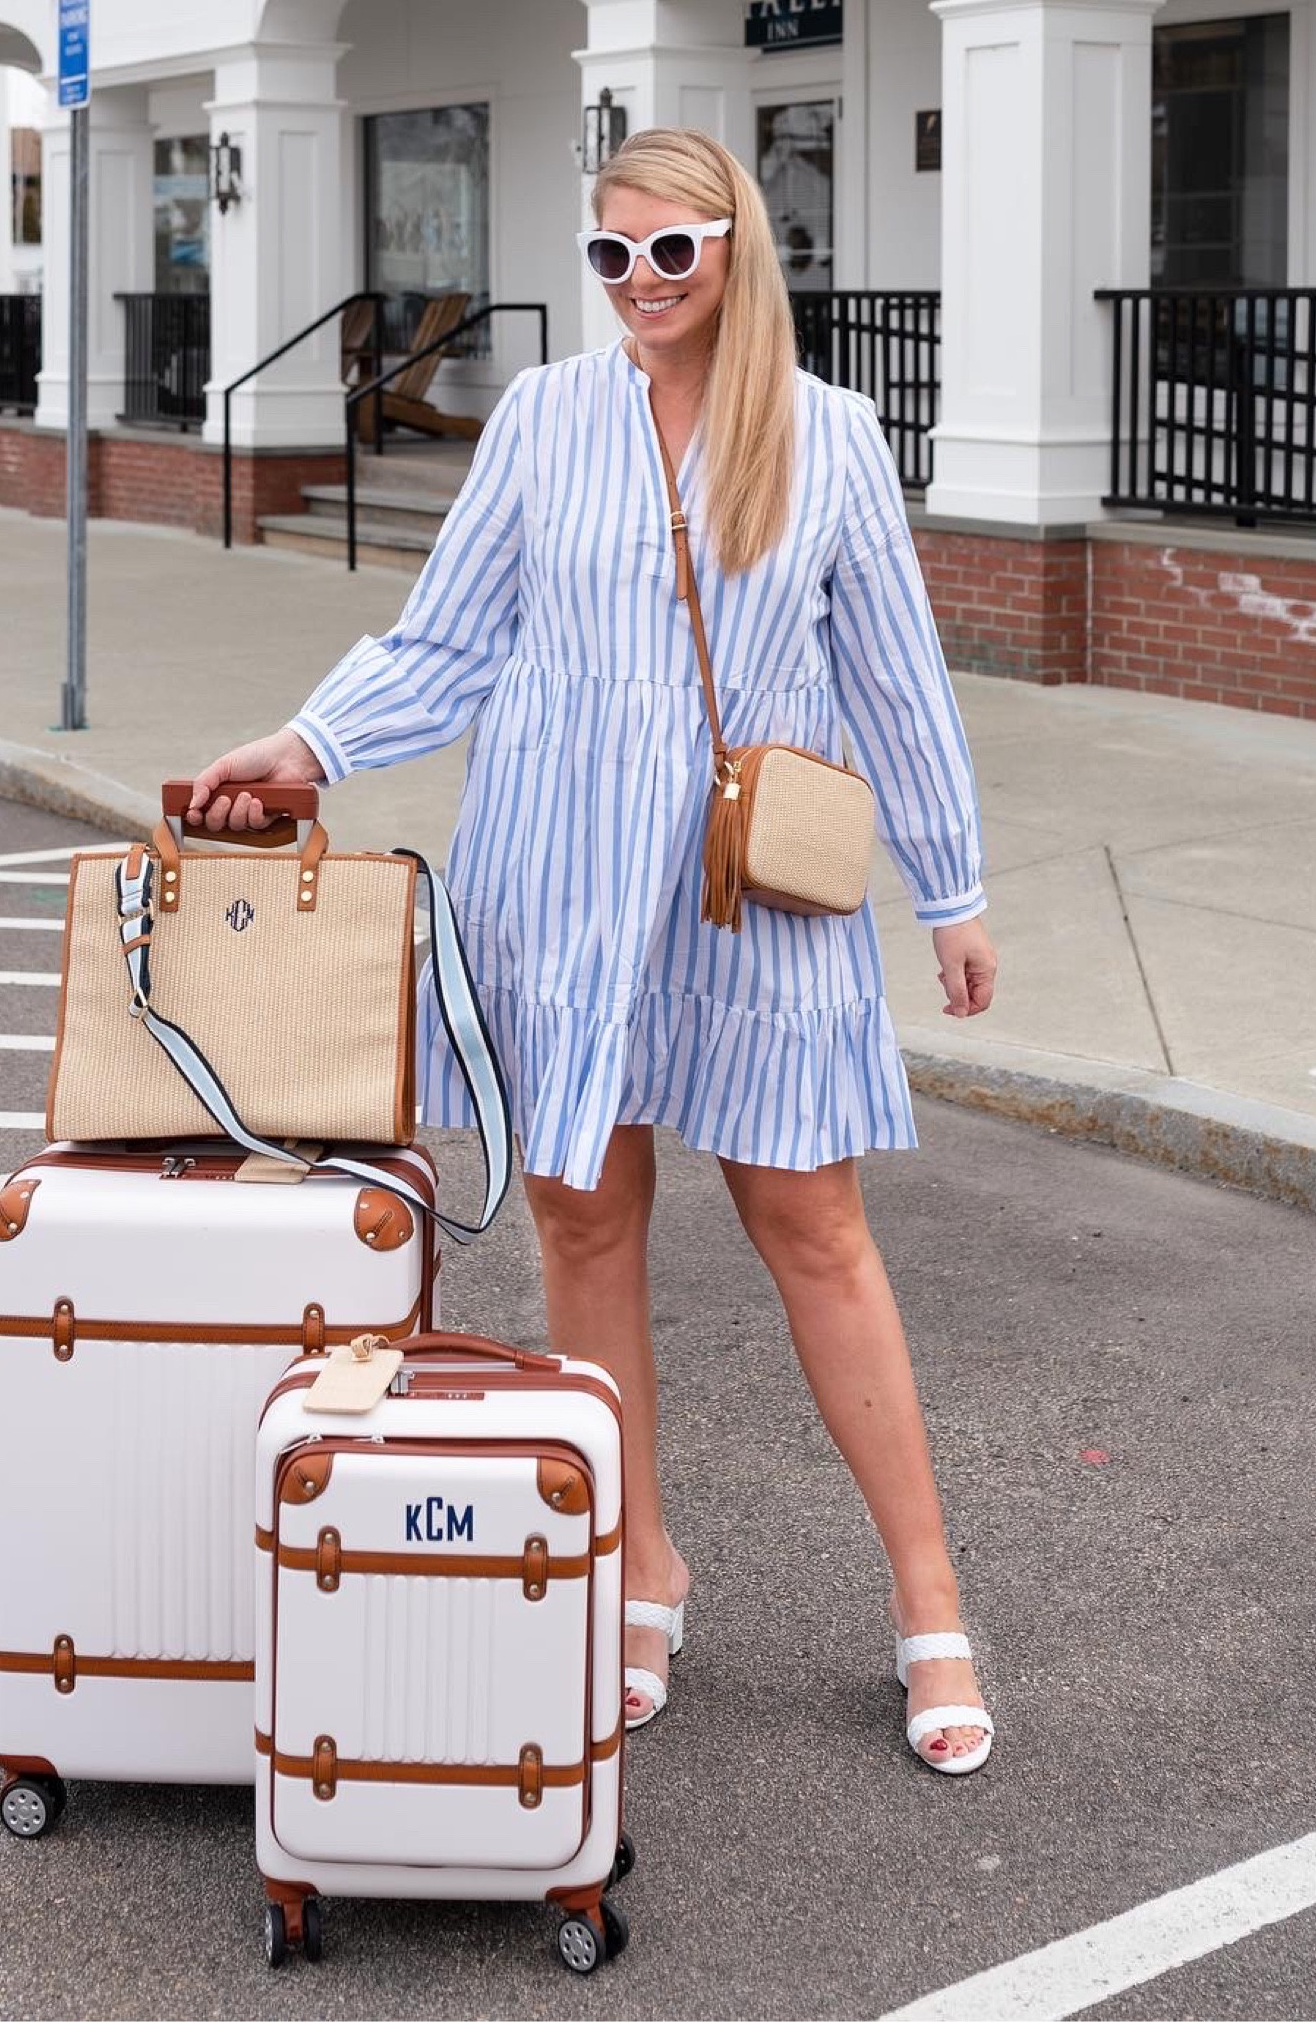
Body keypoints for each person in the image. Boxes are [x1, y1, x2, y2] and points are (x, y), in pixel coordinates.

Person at [189, 128, 998, 1776]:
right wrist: (310, 743)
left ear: (736, 251)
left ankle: (929, 1601)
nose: (638, 284)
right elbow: (451, 636)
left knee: (813, 1223)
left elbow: (901, 682)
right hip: (556, 871)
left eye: (671, 252)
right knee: (582, 1211)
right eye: (610, 256)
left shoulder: (827, 438)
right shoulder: (547, 421)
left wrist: (951, 886)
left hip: (738, 888)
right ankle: (639, 1567)